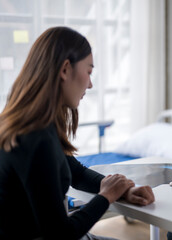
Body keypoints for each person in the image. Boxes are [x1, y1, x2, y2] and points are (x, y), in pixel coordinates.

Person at [0, 26, 155, 240]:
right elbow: (61, 235)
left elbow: (76, 173)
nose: (90, 84)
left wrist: (122, 190)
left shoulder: (34, 123)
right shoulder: (35, 137)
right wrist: (106, 196)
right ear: (65, 70)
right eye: (89, 72)